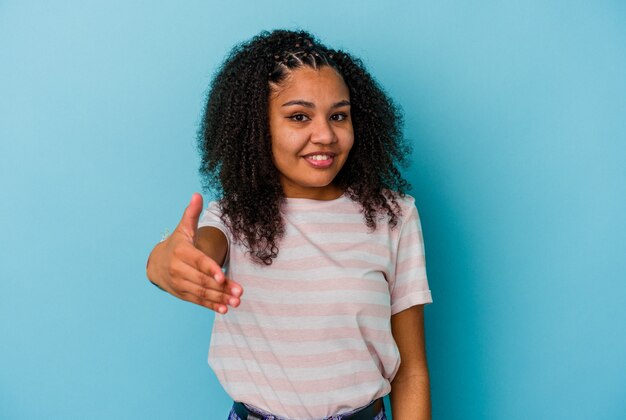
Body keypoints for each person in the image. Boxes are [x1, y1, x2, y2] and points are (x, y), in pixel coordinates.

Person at [146, 29, 433, 420]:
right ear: (257, 127)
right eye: (299, 116)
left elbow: (411, 370)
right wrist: (167, 261)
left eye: (338, 116)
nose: (325, 135)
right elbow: (194, 253)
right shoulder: (232, 218)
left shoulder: (394, 216)